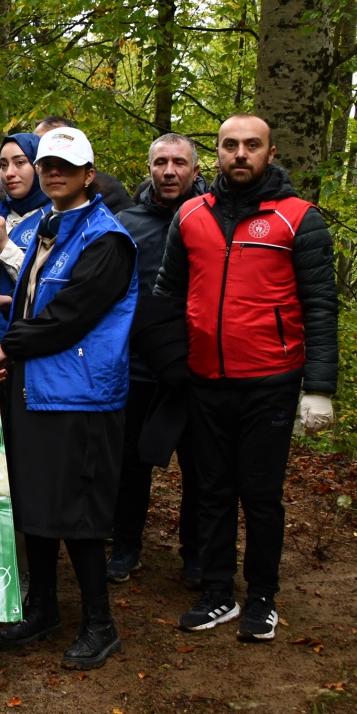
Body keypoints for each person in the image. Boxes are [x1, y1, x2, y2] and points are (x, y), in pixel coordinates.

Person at [155, 114, 337, 643]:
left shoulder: (299, 219)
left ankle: (262, 596)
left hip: (271, 382)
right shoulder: (190, 215)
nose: (240, 154)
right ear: (216, 153)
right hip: (205, 381)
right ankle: (216, 592)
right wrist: (173, 365)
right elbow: (167, 297)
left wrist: (319, 388)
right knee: (209, 490)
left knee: (260, 494)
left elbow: (321, 306)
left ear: (270, 152)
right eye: (230, 145)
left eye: (251, 146)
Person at [0, 126, 138, 670]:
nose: (52, 174)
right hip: (35, 389)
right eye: (47, 165)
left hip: (80, 396)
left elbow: (70, 316)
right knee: (34, 502)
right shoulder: (49, 225)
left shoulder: (106, 238)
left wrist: (7, 348)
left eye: (65, 167)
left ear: (89, 176)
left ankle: (100, 623)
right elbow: (40, 295)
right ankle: (42, 607)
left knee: (80, 512)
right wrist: (12, 301)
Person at [109, 133, 208, 587]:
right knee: (130, 466)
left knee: (202, 468)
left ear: (195, 168)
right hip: (137, 367)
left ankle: (197, 554)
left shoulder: (215, 218)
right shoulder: (125, 221)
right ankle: (126, 546)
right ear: (149, 169)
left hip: (199, 368)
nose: (170, 171)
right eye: (161, 163)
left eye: (179, 163)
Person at [0, 133, 50, 341]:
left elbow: (46, 288)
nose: (9, 173)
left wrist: (4, 243)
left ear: (39, 167)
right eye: (3, 165)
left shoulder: (54, 219)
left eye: (20, 163)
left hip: (25, 342)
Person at [34, 116, 131, 212]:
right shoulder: (38, 221)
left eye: (66, 163)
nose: (54, 172)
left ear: (89, 175)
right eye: (47, 164)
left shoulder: (108, 192)